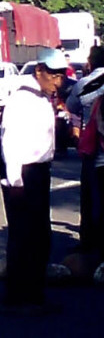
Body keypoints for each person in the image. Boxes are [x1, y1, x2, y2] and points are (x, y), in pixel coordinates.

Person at [0, 48, 67, 313]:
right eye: (54, 76)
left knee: (40, 236)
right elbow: (11, 141)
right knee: (22, 236)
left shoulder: (42, 97)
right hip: (23, 173)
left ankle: (34, 293)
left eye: (61, 76)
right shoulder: (22, 99)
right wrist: (15, 182)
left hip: (39, 171)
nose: (58, 82)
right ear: (39, 71)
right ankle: (17, 295)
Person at [66, 45, 104, 254]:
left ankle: (89, 242)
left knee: (90, 199)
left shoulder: (84, 84)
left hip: (94, 152)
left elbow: (72, 106)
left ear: (90, 63)